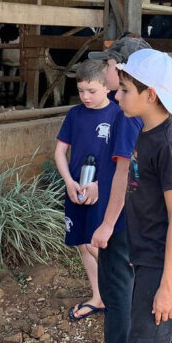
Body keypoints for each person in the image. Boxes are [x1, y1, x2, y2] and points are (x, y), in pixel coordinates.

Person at [116, 49, 172, 343]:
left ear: (150, 94)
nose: (117, 97)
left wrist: (168, 284)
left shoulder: (168, 145)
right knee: (171, 332)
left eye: (124, 90)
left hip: (162, 257)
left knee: (147, 336)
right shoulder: (148, 132)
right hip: (150, 250)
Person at [88, 37, 146, 343]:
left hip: (122, 220)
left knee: (117, 288)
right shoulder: (141, 111)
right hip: (136, 215)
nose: (105, 69)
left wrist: (108, 223)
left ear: (122, 70)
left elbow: (124, 172)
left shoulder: (127, 117)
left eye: (109, 64)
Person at [55, 59, 120, 321]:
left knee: (100, 244)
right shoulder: (74, 114)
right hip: (76, 189)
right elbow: (60, 151)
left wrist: (99, 186)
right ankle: (98, 296)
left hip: (102, 192)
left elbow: (123, 163)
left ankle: (124, 291)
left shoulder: (118, 115)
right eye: (81, 90)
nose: (85, 96)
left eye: (91, 91)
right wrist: (68, 182)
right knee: (83, 243)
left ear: (107, 87)